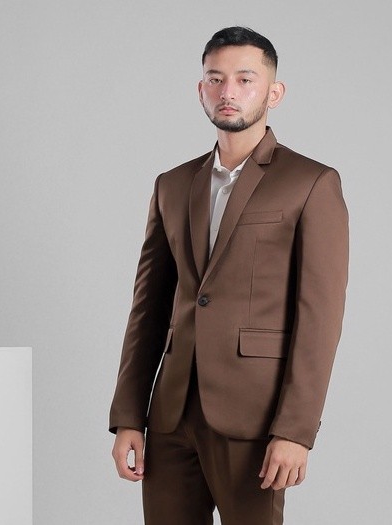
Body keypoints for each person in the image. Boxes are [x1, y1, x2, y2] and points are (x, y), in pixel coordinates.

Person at [110, 26, 349, 525]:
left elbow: (319, 319)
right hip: (170, 416)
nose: (228, 91)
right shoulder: (173, 184)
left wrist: (296, 430)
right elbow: (148, 309)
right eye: (215, 79)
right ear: (201, 90)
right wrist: (129, 415)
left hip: (255, 420)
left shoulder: (311, 183)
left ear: (274, 93)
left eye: (245, 79)